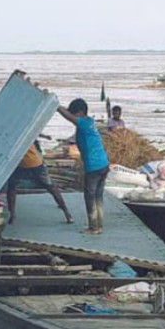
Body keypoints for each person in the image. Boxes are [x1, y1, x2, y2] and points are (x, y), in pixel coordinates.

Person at [57, 99, 109, 235]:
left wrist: (54, 104)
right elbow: (70, 116)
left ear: (80, 113)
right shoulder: (91, 121)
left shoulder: (84, 124)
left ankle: (93, 227)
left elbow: (68, 117)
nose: (74, 116)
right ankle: (99, 225)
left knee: (90, 197)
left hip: (94, 166)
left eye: (75, 114)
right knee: (98, 196)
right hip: (103, 164)